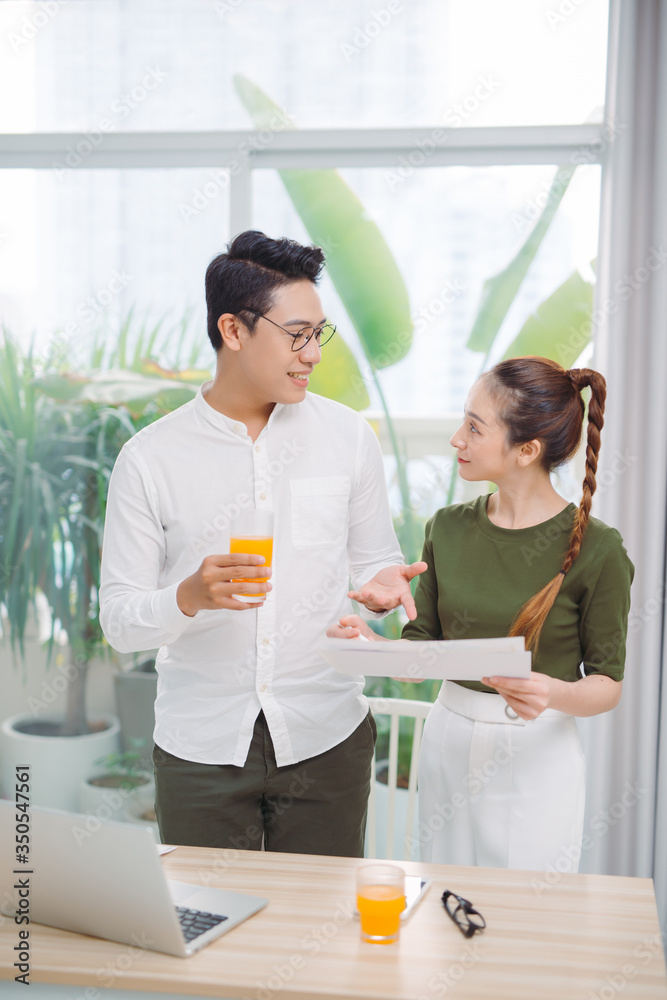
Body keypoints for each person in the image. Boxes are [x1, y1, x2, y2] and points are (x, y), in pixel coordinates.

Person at [99, 230, 425, 857]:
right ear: (235, 330)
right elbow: (119, 622)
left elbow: (372, 561)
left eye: (318, 335)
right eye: (297, 334)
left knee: (321, 935)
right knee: (207, 931)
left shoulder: (348, 437)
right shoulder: (149, 460)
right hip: (202, 750)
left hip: (326, 737)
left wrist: (381, 586)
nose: (313, 353)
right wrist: (189, 596)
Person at [329, 357, 633, 872]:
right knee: (447, 900)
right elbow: (423, 647)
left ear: (527, 450)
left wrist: (553, 692)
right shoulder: (447, 528)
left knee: (522, 920)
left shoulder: (599, 550)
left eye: (474, 427)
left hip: (537, 752)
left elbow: (606, 683)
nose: (456, 439)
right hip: (448, 738)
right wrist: (371, 646)